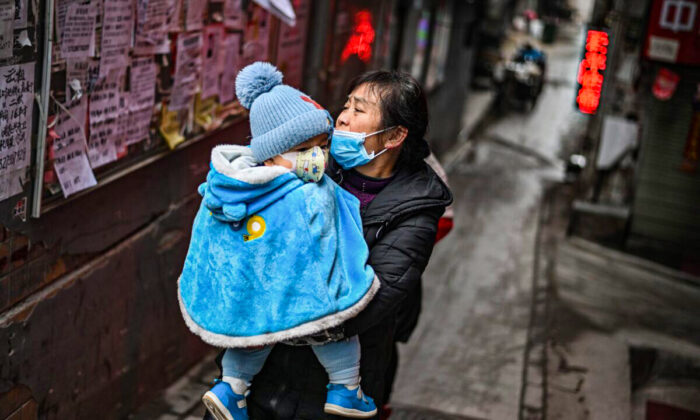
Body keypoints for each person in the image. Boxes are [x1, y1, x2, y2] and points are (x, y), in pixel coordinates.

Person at [202, 70, 452, 419]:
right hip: (260, 370)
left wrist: (288, 312)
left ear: (394, 135)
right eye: (346, 104)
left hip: (327, 391)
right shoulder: (310, 155)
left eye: (359, 110)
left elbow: (385, 289)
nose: (344, 116)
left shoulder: (417, 206)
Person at [179, 62, 383, 420]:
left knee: (253, 334)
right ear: (272, 153)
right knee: (333, 327)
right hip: (298, 291)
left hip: (247, 293)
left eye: (323, 144)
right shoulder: (308, 194)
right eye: (304, 148)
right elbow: (325, 243)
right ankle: (346, 389)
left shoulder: (229, 185)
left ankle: (231, 389)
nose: (318, 156)